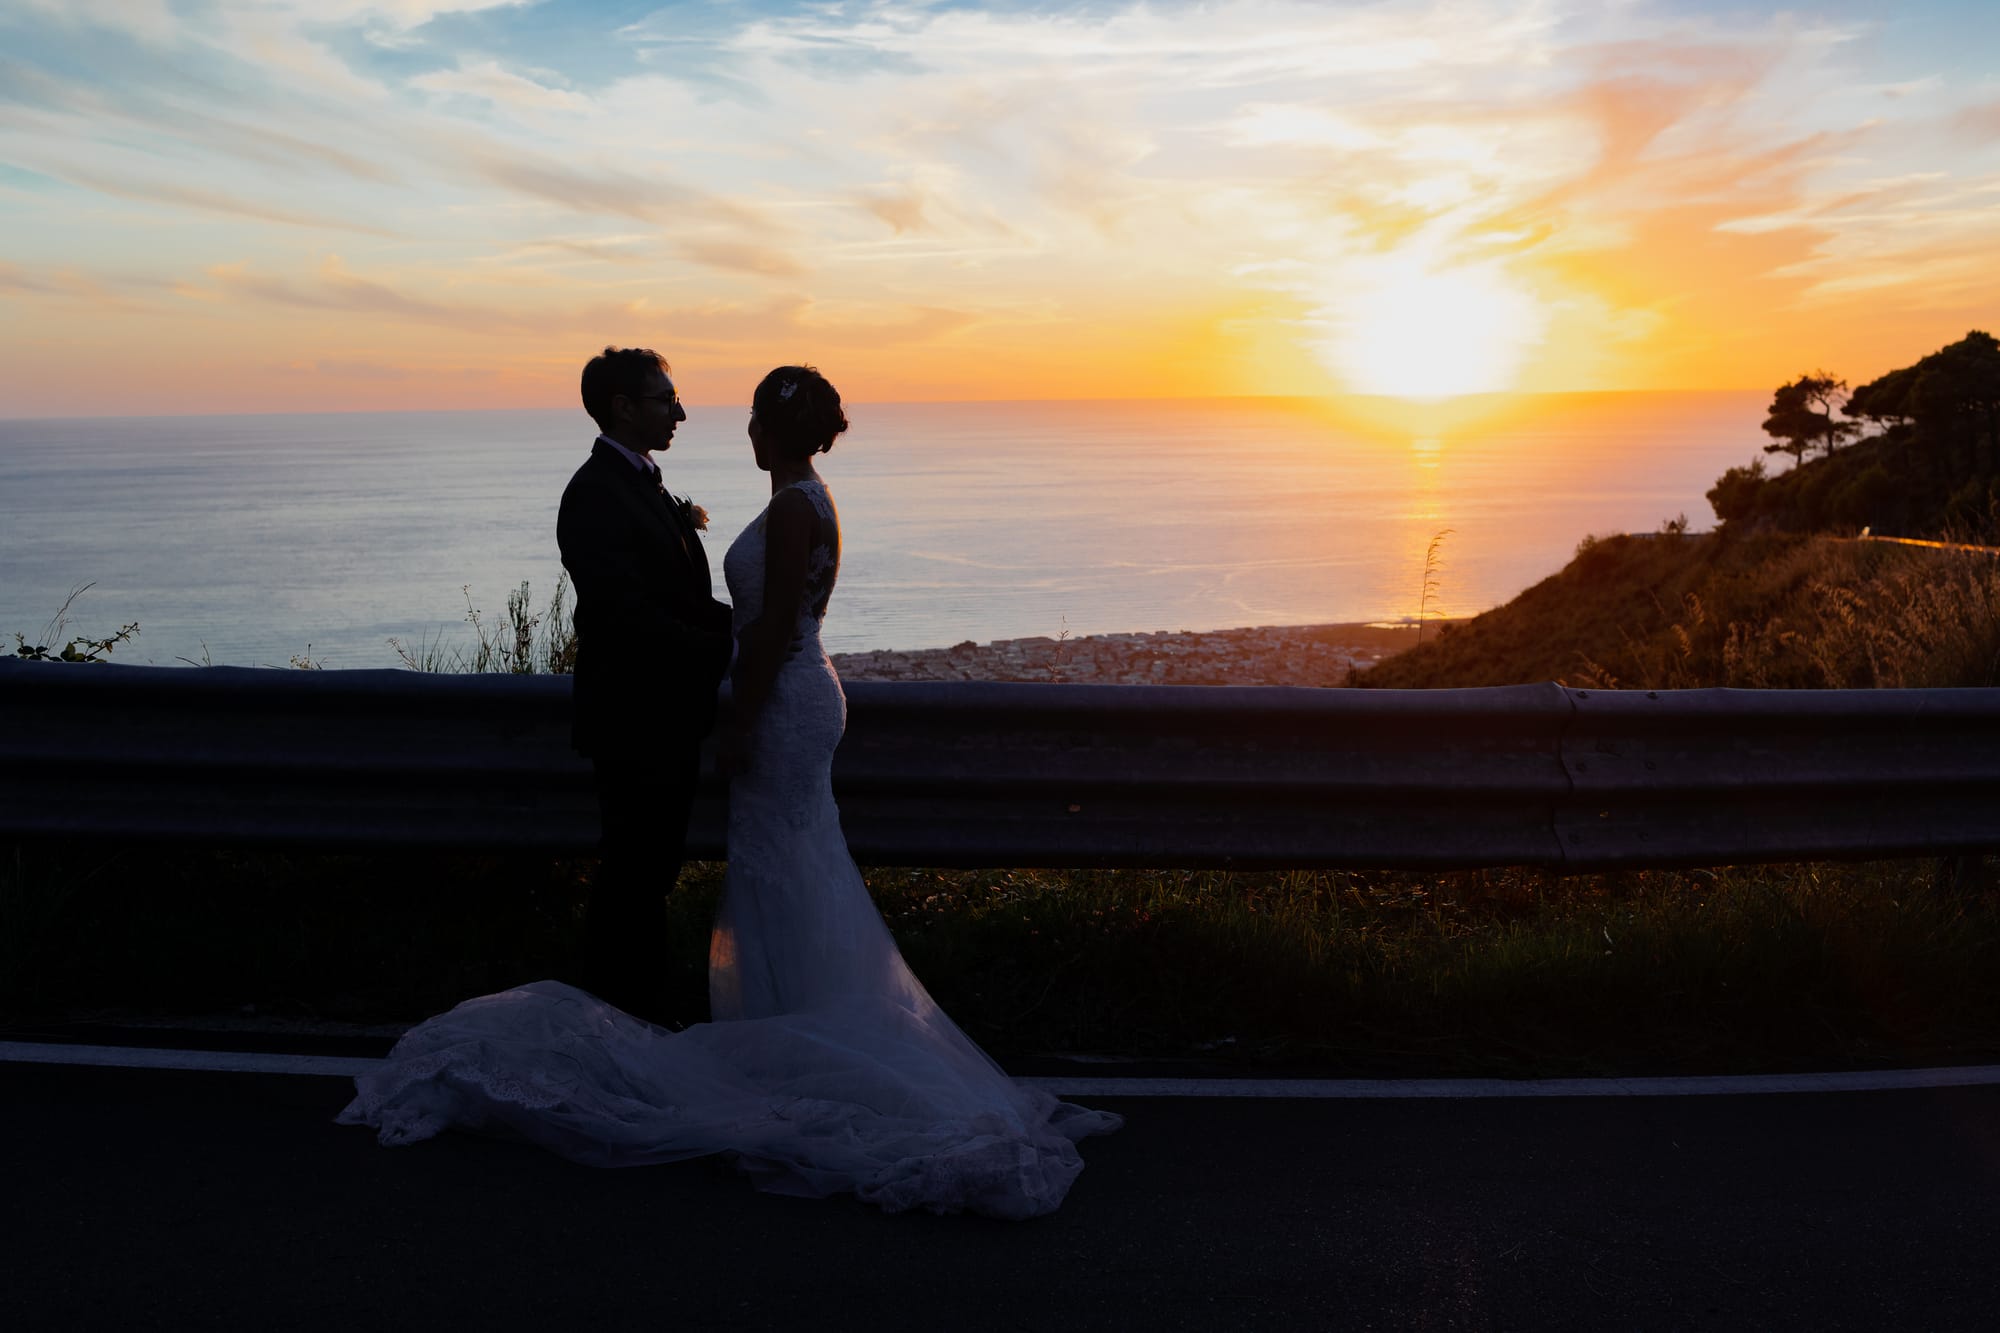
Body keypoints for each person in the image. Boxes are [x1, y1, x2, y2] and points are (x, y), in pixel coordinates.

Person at [339, 365, 1121, 1218]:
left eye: (748, 417)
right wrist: (733, 663)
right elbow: (668, 613)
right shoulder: (743, 496)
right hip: (760, 701)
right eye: (665, 399)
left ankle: (779, 1041)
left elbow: (773, 626)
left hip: (780, 704)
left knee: (775, 866)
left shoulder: (791, 507)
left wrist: (741, 718)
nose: (697, 415)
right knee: (771, 866)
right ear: (621, 407)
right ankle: (771, 1027)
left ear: (769, 431)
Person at [557, 347, 732, 1020]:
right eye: (666, 400)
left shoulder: (639, 485)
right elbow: (626, 616)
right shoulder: (595, 494)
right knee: (633, 877)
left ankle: (632, 1016)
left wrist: (755, 627)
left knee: (648, 875)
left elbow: (679, 599)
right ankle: (619, 1017)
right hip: (635, 721)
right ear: (623, 407)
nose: (679, 414)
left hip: (663, 720)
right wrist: (726, 647)